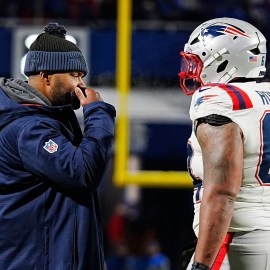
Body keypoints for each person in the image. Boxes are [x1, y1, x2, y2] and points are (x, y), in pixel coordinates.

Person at [0, 22, 116, 269]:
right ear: (46, 76)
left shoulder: (47, 122)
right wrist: (97, 113)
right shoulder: (29, 129)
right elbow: (83, 172)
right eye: (74, 75)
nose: (81, 85)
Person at [178, 17, 270, 269]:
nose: (190, 69)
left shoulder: (219, 100)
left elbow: (222, 192)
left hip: (238, 237)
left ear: (223, 60)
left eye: (197, 60)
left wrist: (202, 261)